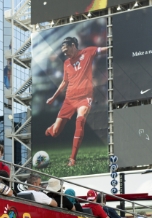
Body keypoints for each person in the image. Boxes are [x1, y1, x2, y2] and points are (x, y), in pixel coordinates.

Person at [45, 37, 108, 167]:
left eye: (66, 50)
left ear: (73, 46)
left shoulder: (88, 52)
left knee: (80, 120)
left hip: (85, 96)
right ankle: (51, 129)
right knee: (56, 133)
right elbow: (64, 82)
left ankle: (72, 159)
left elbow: (104, 49)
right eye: (63, 51)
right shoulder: (66, 63)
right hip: (69, 99)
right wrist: (53, 97)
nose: (65, 53)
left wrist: (117, 45)